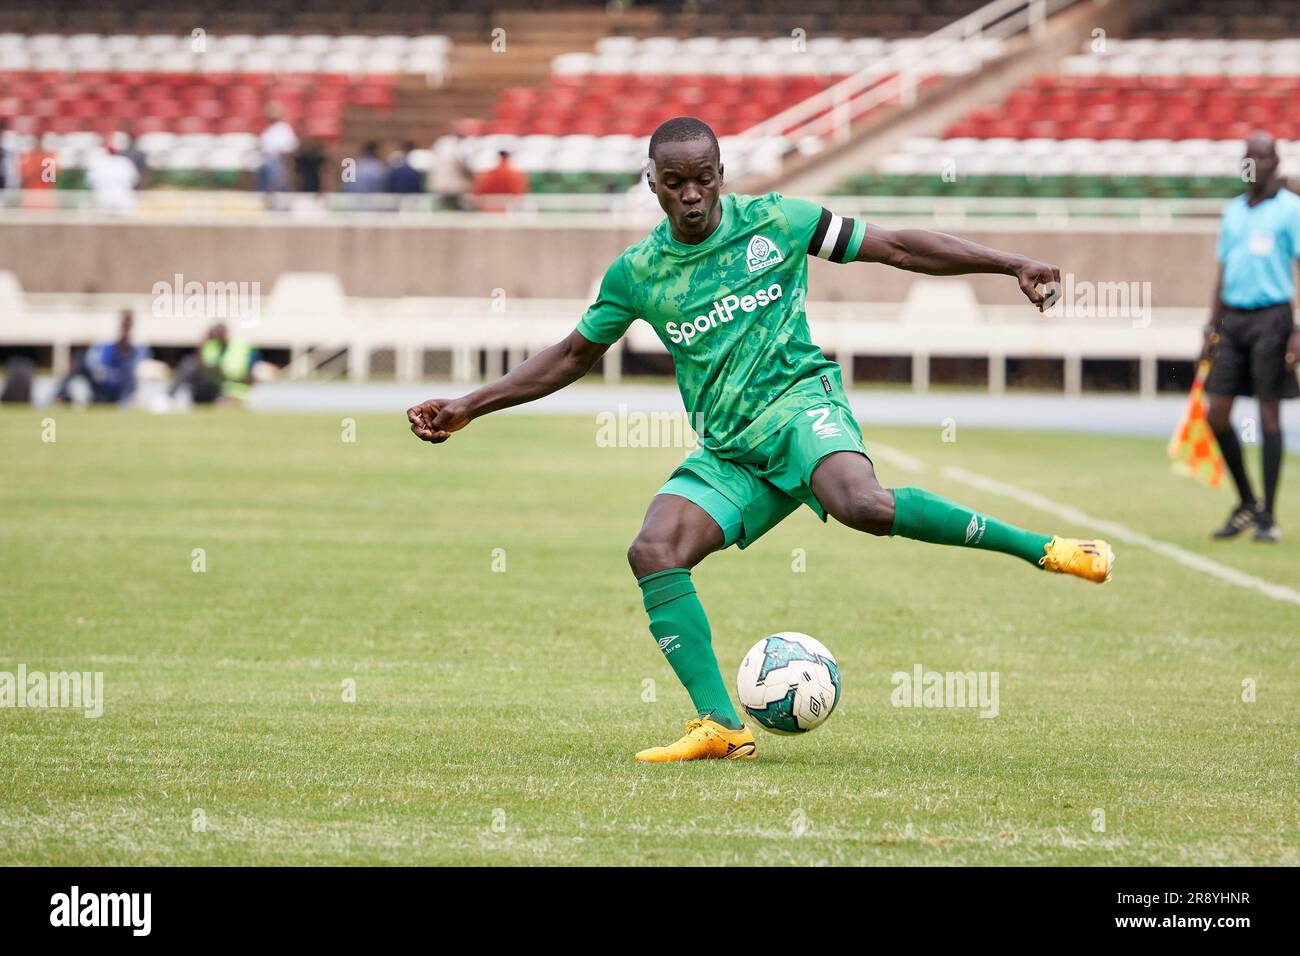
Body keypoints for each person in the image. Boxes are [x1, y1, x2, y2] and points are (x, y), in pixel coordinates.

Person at [407, 117, 1115, 763]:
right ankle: (721, 725)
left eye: (704, 178)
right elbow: (570, 356)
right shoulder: (638, 273)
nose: (691, 196)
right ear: (653, 184)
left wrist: (1011, 262)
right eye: (675, 183)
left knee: (861, 506)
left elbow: (897, 247)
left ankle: (1048, 551)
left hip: (802, 407)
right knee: (654, 550)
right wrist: (471, 404)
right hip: (733, 450)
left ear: (722, 173)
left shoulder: (779, 221)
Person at [1200, 131, 1300, 543]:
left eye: (1262, 156)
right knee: (1217, 413)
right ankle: (1247, 501)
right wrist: (1211, 327)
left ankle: (1269, 518)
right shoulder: (1233, 212)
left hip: (1273, 317)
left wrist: (1297, 330)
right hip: (1233, 320)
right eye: (1248, 156)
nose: (1254, 162)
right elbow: (1223, 272)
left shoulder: (1292, 209)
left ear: (1276, 163)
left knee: (1268, 414)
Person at [55, 311, 146, 406]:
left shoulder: (135, 351)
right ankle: (60, 396)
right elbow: (93, 364)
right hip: (100, 387)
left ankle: (124, 402)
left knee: (129, 370)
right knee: (79, 358)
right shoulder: (107, 346)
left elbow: (133, 378)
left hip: (117, 392)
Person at [168, 323, 256, 406]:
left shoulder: (239, 345)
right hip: (212, 385)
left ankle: (230, 400)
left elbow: (239, 372)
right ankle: (169, 397)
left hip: (231, 387)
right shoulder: (212, 346)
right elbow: (200, 363)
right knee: (189, 363)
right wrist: (204, 341)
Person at [85, 144, 139, 214]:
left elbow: (90, 183)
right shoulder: (97, 162)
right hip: (106, 199)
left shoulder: (124, 162)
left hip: (120, 200)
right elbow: (134, 181)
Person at [258, 104, 298, 194]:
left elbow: (288, 149)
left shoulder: (284, 129)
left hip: (279, 163)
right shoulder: (268, 130)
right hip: (267, 161)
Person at [430, 134, 473, 210]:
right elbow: (464, 168)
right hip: (453, 190)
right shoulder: (456, 149)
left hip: (440, 188)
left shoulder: (443, 145)